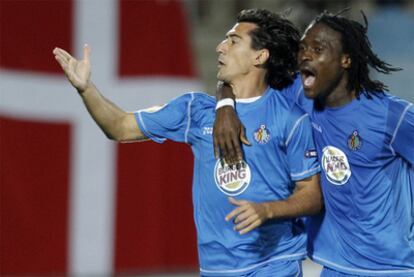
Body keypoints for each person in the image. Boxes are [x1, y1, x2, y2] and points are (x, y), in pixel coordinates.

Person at [53, 9, 323, 277]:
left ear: (260, 56)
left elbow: (311, 196)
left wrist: (268, 210)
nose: (221, 47)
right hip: (216, 267)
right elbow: (120, 127)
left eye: (233, 41)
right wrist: (86, 89)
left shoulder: (289, 117)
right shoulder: (194, 109)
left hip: (274, 263)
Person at [213, 10, 414, 276]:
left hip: (390, 268)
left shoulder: (392, 116)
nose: (304, 55)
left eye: (317, 48)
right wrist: (225, 105)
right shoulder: (299, 94)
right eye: (303, 48)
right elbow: (235, 77)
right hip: (332, 266)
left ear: (345, 60)